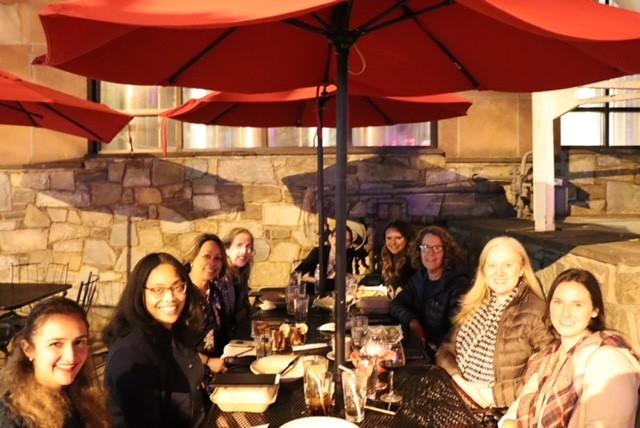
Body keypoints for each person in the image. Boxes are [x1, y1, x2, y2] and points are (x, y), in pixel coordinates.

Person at [500, 269, 640, 428]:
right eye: (558, 302)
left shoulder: (608, 360)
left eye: (577, 305)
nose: (565, 313)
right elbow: (515, 412)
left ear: (595, 310)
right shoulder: (549, 357)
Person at [437, 236, 554, 411]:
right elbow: (445, 350)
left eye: (508, 265)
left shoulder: (535, 310)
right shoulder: (476, 302)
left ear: (522, 268)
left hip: (494, 410)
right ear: (483, 270)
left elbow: (548, 371)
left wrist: (491, 395)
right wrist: (458, 380)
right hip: (456, 395)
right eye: (492, 265)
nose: (499, 272)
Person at [104, 253, 209, 428]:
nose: (170, 298)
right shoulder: (132, 355)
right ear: (140, 293)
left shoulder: (174, 333)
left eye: (177, 287)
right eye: (158, 290)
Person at [0, 297, 108, 428]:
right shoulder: (14, 417)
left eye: (79, 342)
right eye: (56, 344)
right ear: (29, 349)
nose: (71, 357)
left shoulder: (80, 395)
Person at [390, 225, 469, 352]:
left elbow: (455, 334)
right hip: (421, 348)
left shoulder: (458, 285)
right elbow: (396, 304)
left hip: (441, 355)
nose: (430, 253)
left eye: (437, 248)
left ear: (447, 252)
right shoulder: (420, 278)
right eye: (425, 247)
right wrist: (413, 321)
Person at [183, 233, 231, 365]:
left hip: (218, 366)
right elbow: (173, 344)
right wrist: (208, 361)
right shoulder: (181, 293)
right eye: (206, 256)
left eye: (217, 258)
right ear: (192, 258)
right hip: (190, 372)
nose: (212, 263)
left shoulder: (215, 292)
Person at [294, 226, 356, 293]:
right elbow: (296, 274)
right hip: (314, 295)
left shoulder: (349, 256)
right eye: (337, 237)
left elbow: (343, 282)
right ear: (330, 238)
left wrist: (310, 279)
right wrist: (312, 280)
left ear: (350, 244)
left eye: (346, 240)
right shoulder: (319, 252)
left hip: (334, 297)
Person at [223, 227, 254, 339]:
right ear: (227, 250)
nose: (244, 251)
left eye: (248, 247)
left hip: (238, 332)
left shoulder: (243, 272)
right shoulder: (221, 276)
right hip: (225, 340)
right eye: (239, 245)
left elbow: (244, 305)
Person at [380, 220, 417, 292]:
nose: (393, 243)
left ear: (407, 239)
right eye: (389, 238)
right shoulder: (386, 255)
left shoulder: (413, 261)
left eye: (398, 238)